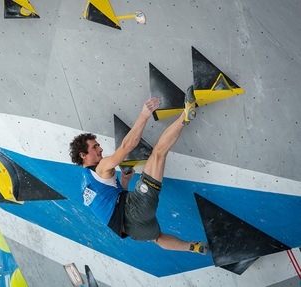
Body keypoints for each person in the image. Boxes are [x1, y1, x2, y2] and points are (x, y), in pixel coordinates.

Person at [69, 87, 208, 255]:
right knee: (158, 153)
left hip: (132, 231)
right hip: (134, 210)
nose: (100, 149)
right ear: (83, 155)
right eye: (95, 147)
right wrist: (144, 114)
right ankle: (184, 116)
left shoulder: (85, 184)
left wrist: (125, 182)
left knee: (158, 238)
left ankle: (194, 247)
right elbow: (128, 146)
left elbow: (111, 205)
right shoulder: (101, 167)